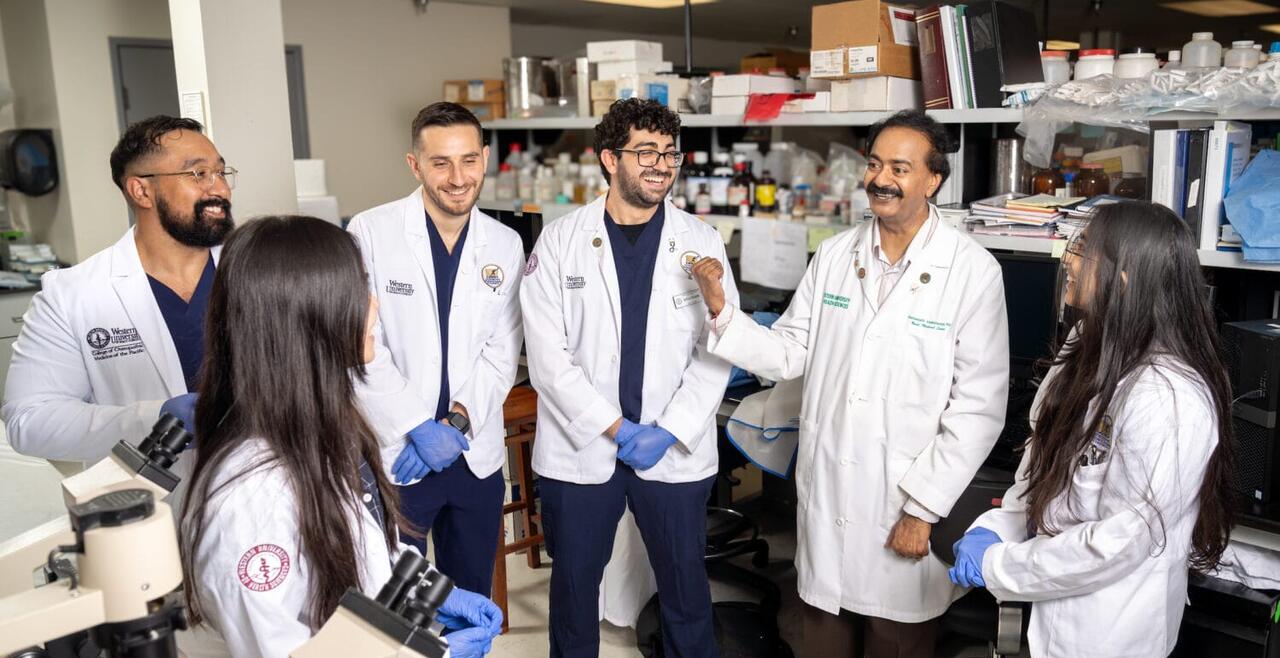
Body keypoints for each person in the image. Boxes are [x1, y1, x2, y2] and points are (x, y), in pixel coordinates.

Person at [690, 109, 1009, 657]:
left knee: (896, 639)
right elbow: (789, 350)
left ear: (933, 179)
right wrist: (722, 312)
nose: (881, 179)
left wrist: (922, 510)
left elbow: (978, 408)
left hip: (903, 499)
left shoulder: (971, 271)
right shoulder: (837, 255)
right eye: (875, 164)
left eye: (901, 168)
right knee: (824, 634)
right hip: (831, 493)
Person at [180, 216, 503, 658]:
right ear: (314, 315)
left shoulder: (318, 433)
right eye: (359, 292)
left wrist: (426, 588)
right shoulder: (251, 499)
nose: (374, 307)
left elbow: (355, 552)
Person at [950, 201, 1236, 658]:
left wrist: (1001, 564)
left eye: (1082, 249)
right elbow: (1042, 463)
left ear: (1121, 278)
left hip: (1107, 631)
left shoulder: (1167, 397)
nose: (1069, 260)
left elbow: (1119, 542)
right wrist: (998, 528)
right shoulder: (1087, 341)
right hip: (1048, 610)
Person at [521, 98, 738, 658]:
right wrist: (617, 428)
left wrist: (668, 430)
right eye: (645, 151)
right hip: (583, 444)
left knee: (686, 588)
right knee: (573, 590)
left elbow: (718, 347)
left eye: (669, 153)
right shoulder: (560, 241)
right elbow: (549, 360)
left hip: (672, 445)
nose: (661, 164)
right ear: (608, 159)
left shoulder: (702, 242)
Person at [348, 102, 523, 597]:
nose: (457, 177)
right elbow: (361, 345)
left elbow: (501, 351)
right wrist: (418, 427)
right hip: (397, 457)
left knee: (469, 600)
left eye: (468, 160)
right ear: (415, 165)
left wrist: (456, 424)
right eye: (440, 162)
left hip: (472, 457)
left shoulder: (505, 243)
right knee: (389, 603)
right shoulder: (370, 232)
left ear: (485, 159)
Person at [3, 115, 230, 463]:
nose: (219, 189)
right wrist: (150, 420)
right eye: (198, 173)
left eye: (221, 172)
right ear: (141, 190)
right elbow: (29, 420)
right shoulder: (70, 295)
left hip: (260, 494)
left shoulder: (258, 269)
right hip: (152, 503)